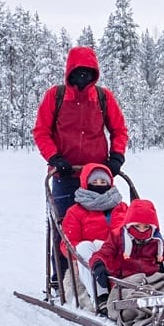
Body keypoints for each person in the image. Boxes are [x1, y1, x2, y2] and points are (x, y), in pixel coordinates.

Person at [33, 46, 129, 221]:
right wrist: (55, 158)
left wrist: (116, 157)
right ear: (70, 71)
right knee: (64, 223)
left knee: (103, 226)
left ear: (94, 73)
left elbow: (119, 130)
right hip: (64, 175)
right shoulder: (55, 96)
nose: (83, 75)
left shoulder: (103, 97)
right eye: (79, 71)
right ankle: (61, 240)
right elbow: (41, 131)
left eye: (88, 71)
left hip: (97, 177)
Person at [59, 163, 129, 308]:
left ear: (110, 183)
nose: (99, 185)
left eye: (103, 182)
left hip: (120, 252)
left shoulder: (122, 207)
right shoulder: (75, 211)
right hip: (92, 256)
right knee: (83, 247)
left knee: (159, 240)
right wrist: (76, 257)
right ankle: (100, 298)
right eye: (94, 182)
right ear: (86, 184)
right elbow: (68, 243)